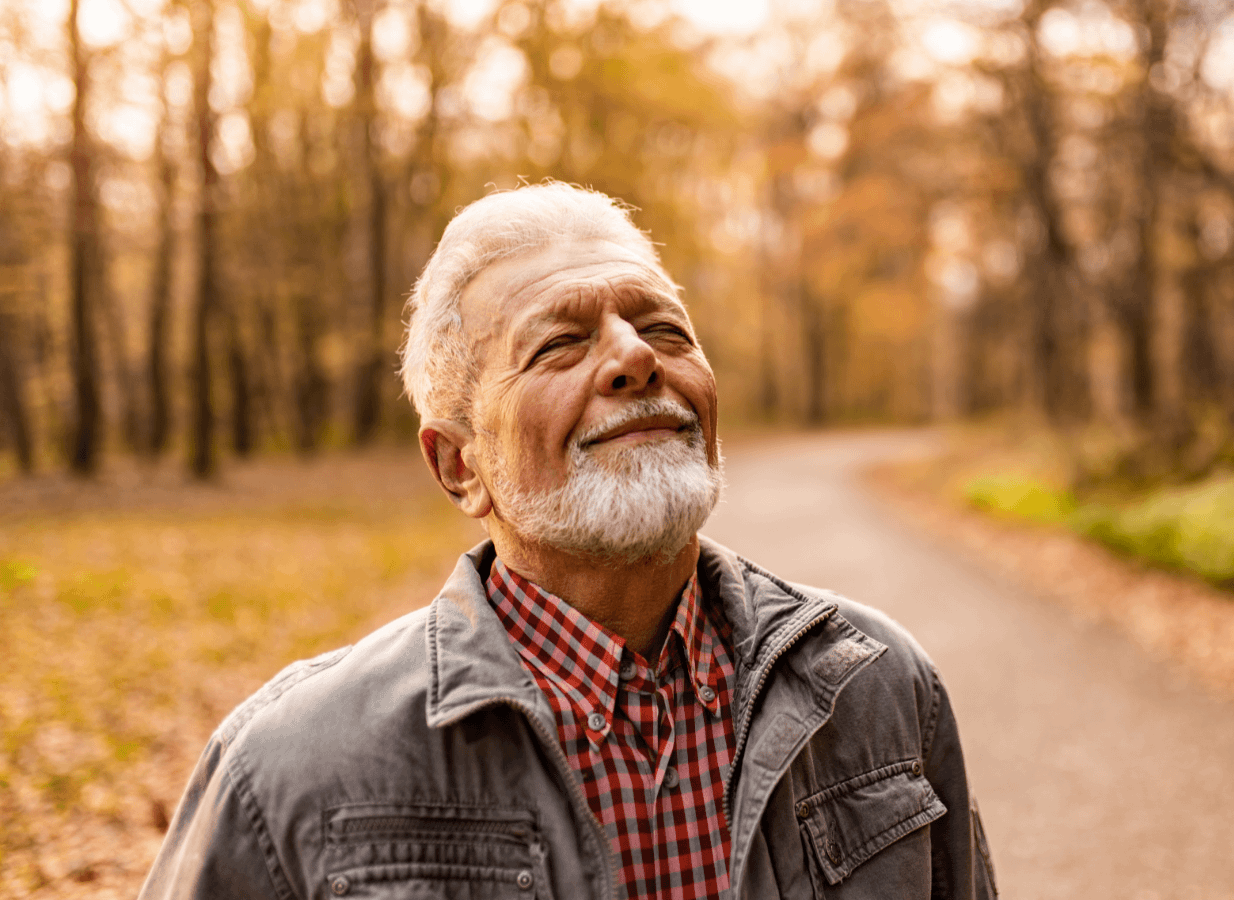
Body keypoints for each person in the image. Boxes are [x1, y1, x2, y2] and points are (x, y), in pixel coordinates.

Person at [139, 182, 997, 900]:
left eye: (664, 329)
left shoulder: (880, 688)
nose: (635, 360)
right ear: (459, 466)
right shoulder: (288, 769)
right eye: (558, 344)